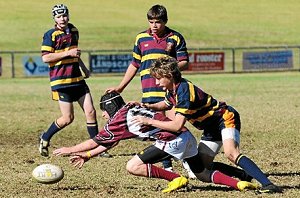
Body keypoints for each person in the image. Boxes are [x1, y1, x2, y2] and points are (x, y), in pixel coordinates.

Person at [132, 56, 283, 194]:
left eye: (158, 79)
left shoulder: (183, 90)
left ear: (169, 76)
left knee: (231, 153)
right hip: (210, 126)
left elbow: (177, 125)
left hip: (224, 118)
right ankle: (244, 175)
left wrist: (149, 121)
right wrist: (146, 106)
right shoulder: (172, 90)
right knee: (202, 168)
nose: (156, 83)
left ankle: (268, 185)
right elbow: (165, 105)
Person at [53, 92, 258, 193]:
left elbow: (95, 140)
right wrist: (88, 156)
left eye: (105, 112)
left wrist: (69, 149)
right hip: (185, 136)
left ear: (110, 109)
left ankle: (175, 179)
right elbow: (109, 143)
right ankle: (239, 183)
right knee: (201, 173)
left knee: (132, 166)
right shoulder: (131, 109)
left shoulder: (118, 120)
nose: (104, 116)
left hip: (171, 140)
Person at [106, 4, 189, 172]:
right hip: (149, 92)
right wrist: (120, 87)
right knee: (158, 132)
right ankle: (168, 167)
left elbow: (185, 62)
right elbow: (134, 64)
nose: (154, 26)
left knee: (178, 129)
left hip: (170, 92)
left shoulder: (175, 38)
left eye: (158, 22)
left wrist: (169, 69)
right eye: (151, 22)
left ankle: (190, 165)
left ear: (165, 21)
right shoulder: (141, 38)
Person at [39, 4, 98, 157]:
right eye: (59, 16)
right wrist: (67, 53)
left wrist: (84, 68)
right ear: (54, 18)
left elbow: (74, 54)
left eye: (64, 15)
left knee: (91, 112)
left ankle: (97, 147)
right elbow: (46, 58)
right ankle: (45, 137)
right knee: (67, 118)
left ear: (68, 16)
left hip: (77, 79)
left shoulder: (74, 31)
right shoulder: (50, 35)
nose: (62, 18)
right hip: (61, 81)